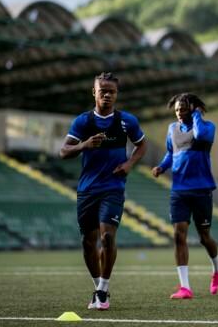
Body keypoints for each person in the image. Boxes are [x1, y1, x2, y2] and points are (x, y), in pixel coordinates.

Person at [59, 72, 147, 310]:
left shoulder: (127, 121)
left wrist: (129, 164)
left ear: (116, 94)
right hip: (87, 190)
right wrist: (84, 145)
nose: (107, 95)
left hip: (113, 188)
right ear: (94, 92)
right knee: (88, 242)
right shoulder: (83, 122)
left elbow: (141, 145)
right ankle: (98, 286)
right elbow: (63, 151)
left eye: (112, 91)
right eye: (103, 91)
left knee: (107, 236)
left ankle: (102, 291)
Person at [151, 93, 218, 299]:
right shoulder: (172, 129)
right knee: (179, 234)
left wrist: (197, 115)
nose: (178, 113)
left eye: (183, 109)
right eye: (176, 110)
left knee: (204, 237)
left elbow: (200, 136)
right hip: (179, 190)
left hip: (201, 189)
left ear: (192, 108)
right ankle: (185, 287)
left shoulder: (207, 127)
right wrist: (162, 167)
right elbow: (170, 152)